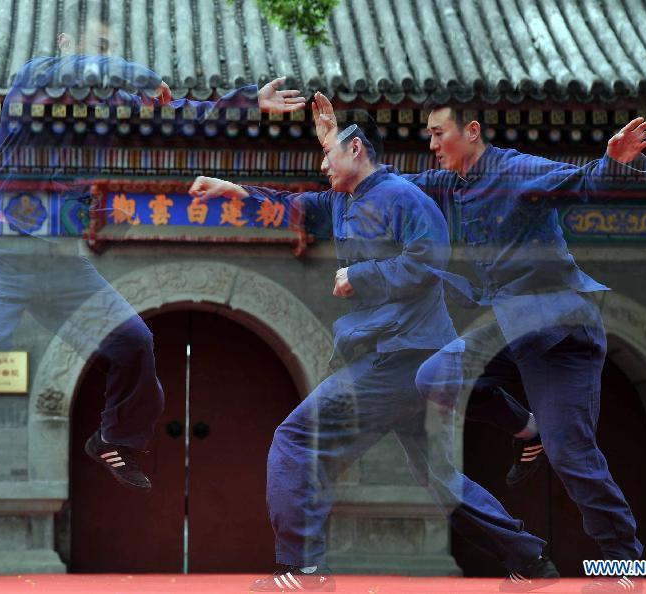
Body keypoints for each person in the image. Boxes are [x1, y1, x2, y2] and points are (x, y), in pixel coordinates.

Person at [0, 17, 306, 523]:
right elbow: (96, 74)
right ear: (64, 46)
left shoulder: (105, 110)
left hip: (59, 265)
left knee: (134, 341)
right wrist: (133, 74)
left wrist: (246, 103)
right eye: (94, 50)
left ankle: (113, 437)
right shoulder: (33, 81)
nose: (101, 65)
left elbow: (175, 111)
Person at [189, 95, 558, 593]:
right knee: (440, 478)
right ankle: (530, 557)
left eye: (328, 156)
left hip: (407, 357)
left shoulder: (403, 197)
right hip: (401, 359)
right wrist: (231, 188)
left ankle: (304, 570)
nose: (322, 165)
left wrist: (360, 276)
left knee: (296, 441)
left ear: (357, 149)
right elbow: (290, 204)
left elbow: (430, 260)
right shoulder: (343, 199)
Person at [385, 103, 646, 594]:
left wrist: (614, 161)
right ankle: (524, 427)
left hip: (562, 338)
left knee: (571, 453)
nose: (430, 144)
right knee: (433, 377)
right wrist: (346, 161)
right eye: (427, 135)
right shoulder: (452, 184)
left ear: (471, 131)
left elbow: (581, 183)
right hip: (513, 333)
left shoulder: (518, 170)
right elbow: (399, 187)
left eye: (437, 133)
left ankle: (624, 563)